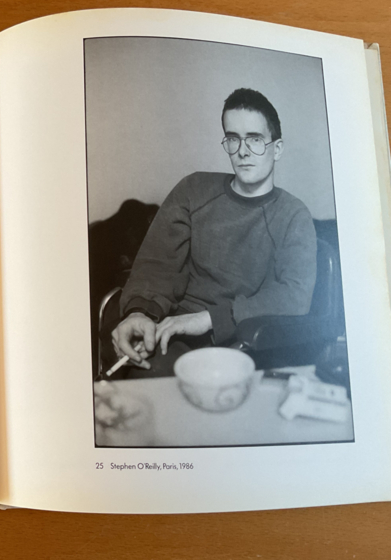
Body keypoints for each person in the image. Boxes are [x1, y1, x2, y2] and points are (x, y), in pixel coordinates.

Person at [110, 88, 317, 376]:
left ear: (277, 148)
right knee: (137, 375)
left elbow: (294, 295)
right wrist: (139, 313)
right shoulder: (193, 189)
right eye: (233, 139)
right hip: (171, 330)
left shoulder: (293, 214)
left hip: (238, 343)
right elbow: (158, 265)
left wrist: (208, 318)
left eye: (255, 139)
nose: (242, 151)